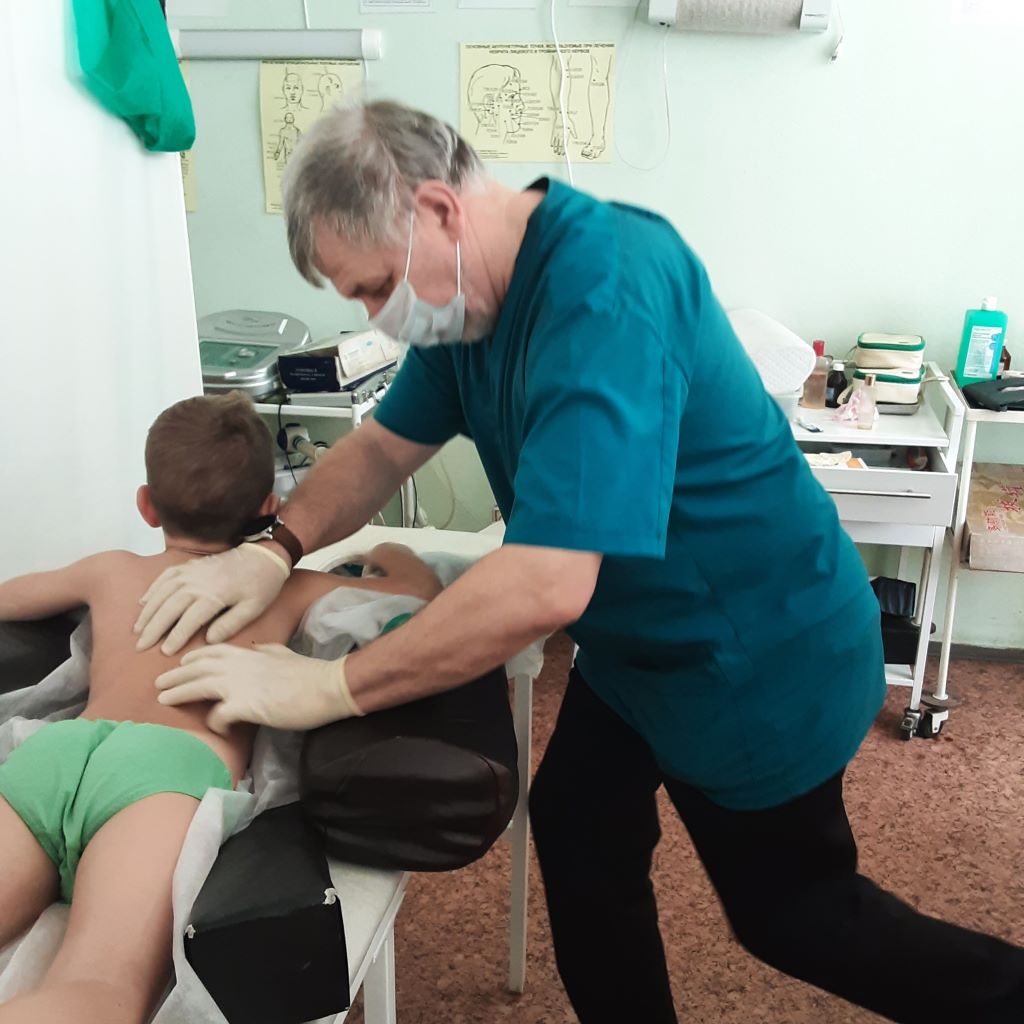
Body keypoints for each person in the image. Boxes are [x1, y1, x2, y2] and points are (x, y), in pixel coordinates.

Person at [137, 102, 1024, 1023]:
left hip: (755, 656)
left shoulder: (608, 290)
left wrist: (329, 689)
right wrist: (273, 549)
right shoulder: (464, 308)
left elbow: (545, 582)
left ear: (438, 211)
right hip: (636, 652)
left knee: (795, 916)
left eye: (375, 288)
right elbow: (380, 450)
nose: (374, 315)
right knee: (579, 828)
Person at [0, 392, 441, 1024]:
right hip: (162, 773)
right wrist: (389, 553)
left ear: (146, 505)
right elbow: (417, 594)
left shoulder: (110, 570)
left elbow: (8, 596)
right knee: (99, 986)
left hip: (55, 754)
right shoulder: (289, 588)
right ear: (270, 510)